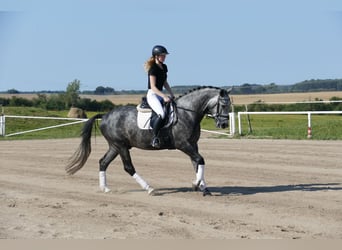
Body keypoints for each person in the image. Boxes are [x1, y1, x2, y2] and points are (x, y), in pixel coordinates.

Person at [144, 45, 175, 148]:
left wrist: (171, 93)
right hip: (153, 95)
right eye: (162, 55)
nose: (164, 57)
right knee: (161, 114)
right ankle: (154, 138)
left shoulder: (164, 67)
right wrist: (164, 96)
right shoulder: (153, 69)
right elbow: (153, 87)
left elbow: (165, 82)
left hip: (160, 93)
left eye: (164, 55)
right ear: (156, 56)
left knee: (172, 110)